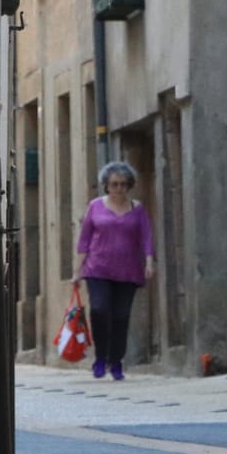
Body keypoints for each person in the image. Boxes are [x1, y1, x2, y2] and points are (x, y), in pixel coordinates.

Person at [75, 161, 155, 381]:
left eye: (123, 184)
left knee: (121, 316)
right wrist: (77, 270)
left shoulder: (137, 209)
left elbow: (146, 236)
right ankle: (101, 357)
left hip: (128, 271)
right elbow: (84, 240)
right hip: (97, 268)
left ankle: (116, 361)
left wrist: (149, 262)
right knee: (99, 309)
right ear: (106, 186)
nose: (118, 189)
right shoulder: (95, 206)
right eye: (114, 184)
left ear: (129, 186)